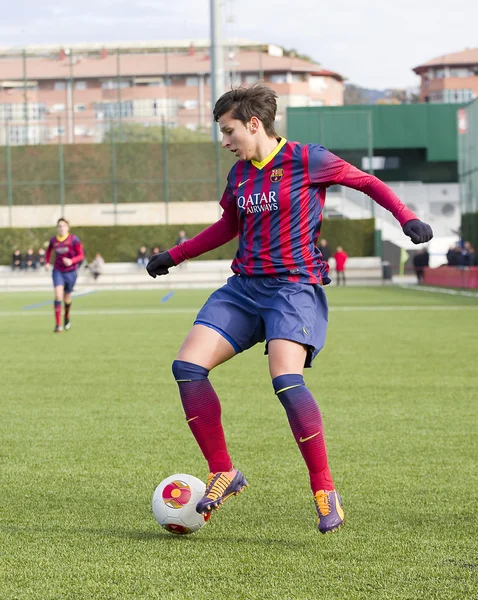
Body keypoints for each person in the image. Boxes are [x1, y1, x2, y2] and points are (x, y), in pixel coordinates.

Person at [146, 84, 433, 534]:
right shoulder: (239, 175)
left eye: (229, 131)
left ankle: (324, 487)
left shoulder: (307, 159)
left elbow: (367, 182)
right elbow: (228, 225)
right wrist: (175, 255)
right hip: (243, 288)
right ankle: (223, 470)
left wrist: (406, 217)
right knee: (187, 366)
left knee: (285, 378)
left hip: (294, 288)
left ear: (254, 125)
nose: (225, 141)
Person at [45, 218, 85, 333]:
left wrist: (72, 261)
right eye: (59, 226)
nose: (61, 228)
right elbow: (48, 251)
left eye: (63, 226)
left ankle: (66, 316)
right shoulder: (54, 240)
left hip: (71, 272)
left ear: (68, 227)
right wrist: (47, 262)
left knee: (67, 297)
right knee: (58, 296)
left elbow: (81, 255)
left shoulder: (74, 240)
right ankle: (58, 325)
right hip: (58, 271)